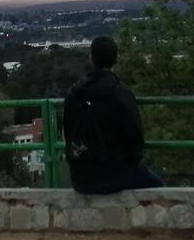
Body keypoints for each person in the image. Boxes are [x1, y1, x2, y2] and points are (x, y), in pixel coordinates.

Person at [62, 36, 163, 194]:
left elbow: (67, 132)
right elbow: (135, 137)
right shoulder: (121, 93)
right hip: (115, 174)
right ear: (116, 59)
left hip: (80, 178)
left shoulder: (73, 94)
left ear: (91, 57)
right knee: (160, 187)